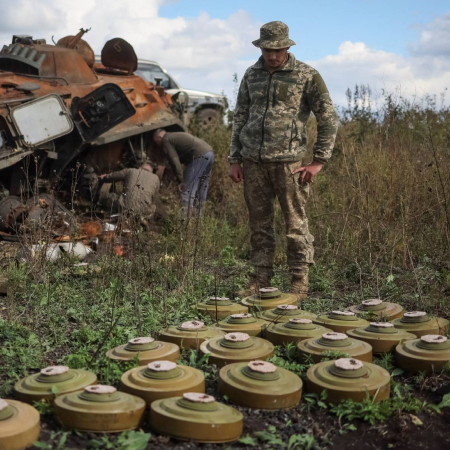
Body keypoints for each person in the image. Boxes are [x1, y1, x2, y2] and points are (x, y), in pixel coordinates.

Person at [228, 21, 338, 297]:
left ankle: (299, 281)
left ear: (288, 46)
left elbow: (328, 119)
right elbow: (240, 116)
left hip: (290, 165)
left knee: (295, 224)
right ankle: (260, 279)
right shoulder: (251, 75)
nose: (272, 56)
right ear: (261, 47)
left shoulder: (306, 75)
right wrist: (235, 158)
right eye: (267, 50)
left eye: (277, 50)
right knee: (259, 225)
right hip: (253, 162)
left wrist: (318, 161)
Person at [152, 129, 214, 212]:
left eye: (157, 142)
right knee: (202, 188)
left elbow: (174, 160)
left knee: (188, 190)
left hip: (198, 156)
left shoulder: (166, 139)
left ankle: (184, 220)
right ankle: (199, 218)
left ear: (159, 137)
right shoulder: (175, 135)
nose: (159, 145)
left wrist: (181, 179)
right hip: (209, 154)